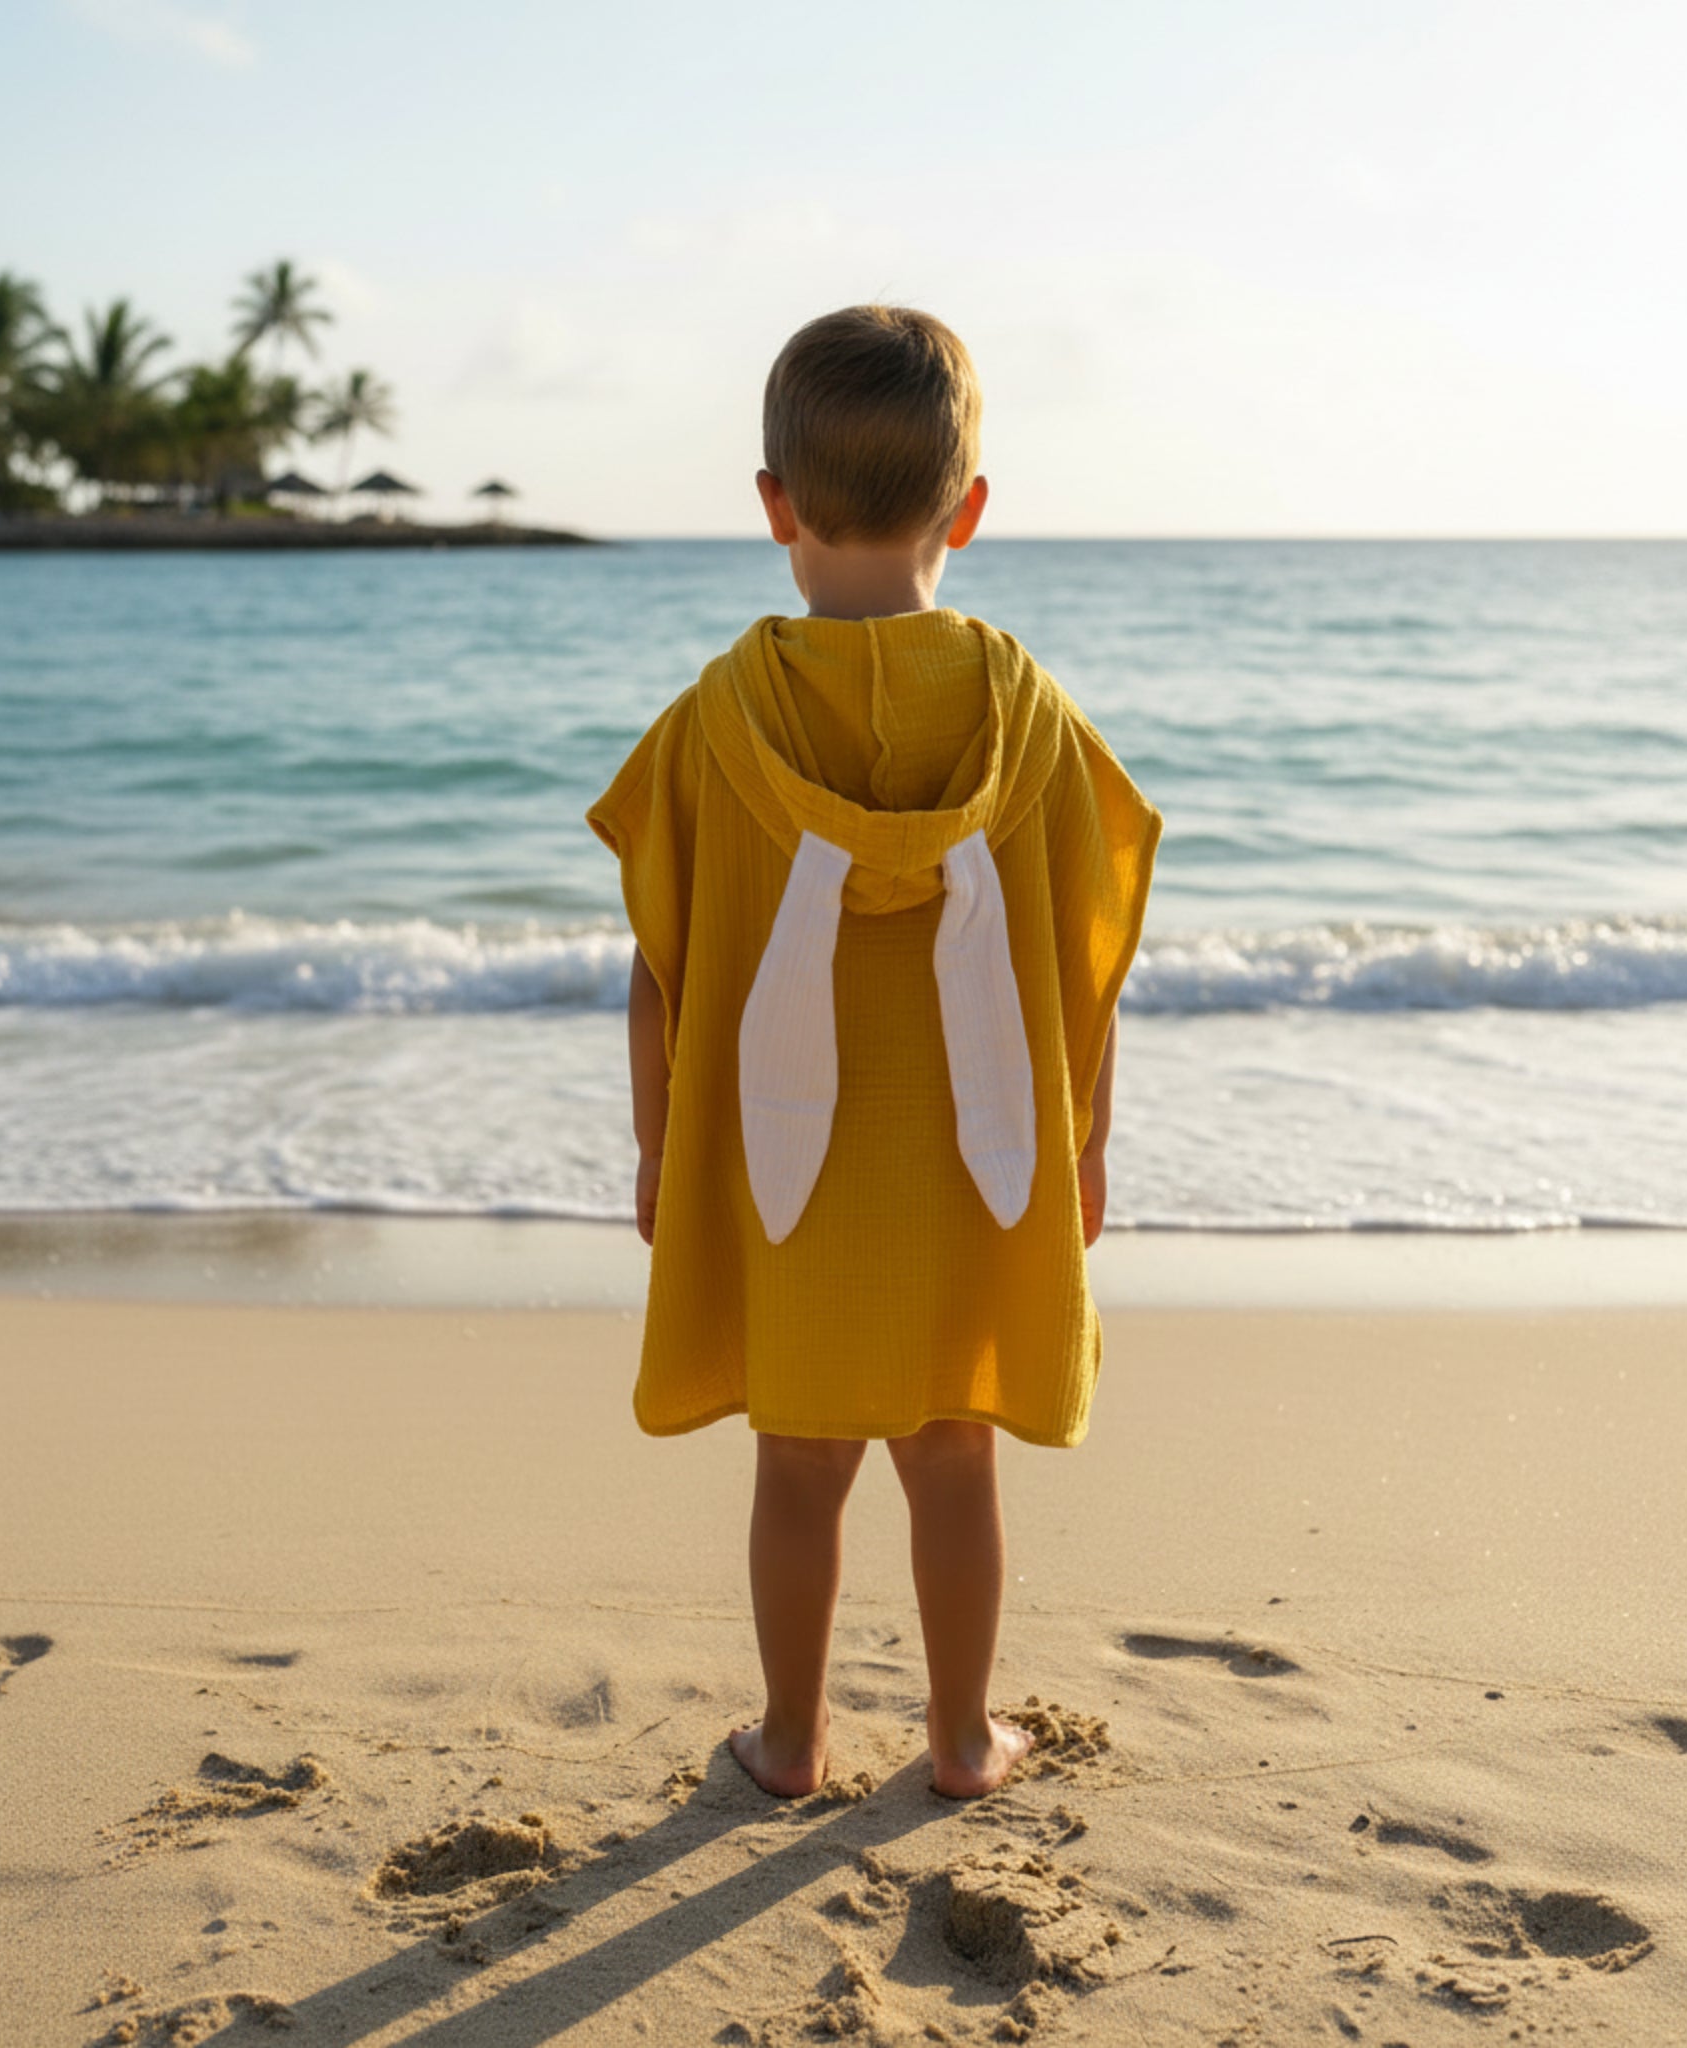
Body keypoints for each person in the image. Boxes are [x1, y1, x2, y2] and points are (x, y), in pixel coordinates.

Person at [587, 305, 1160, 1799]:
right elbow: (1090, 953)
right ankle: (963, 1741)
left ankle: (789, 1741)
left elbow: (661, 959)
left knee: (797, 1465)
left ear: (774, 504)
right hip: (975, 1164)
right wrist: (1087, 1140)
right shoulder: (1030, 719)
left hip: (794, 1177)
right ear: (969, 510)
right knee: (955, 1458)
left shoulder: (718, 720)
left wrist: (660, 1145)